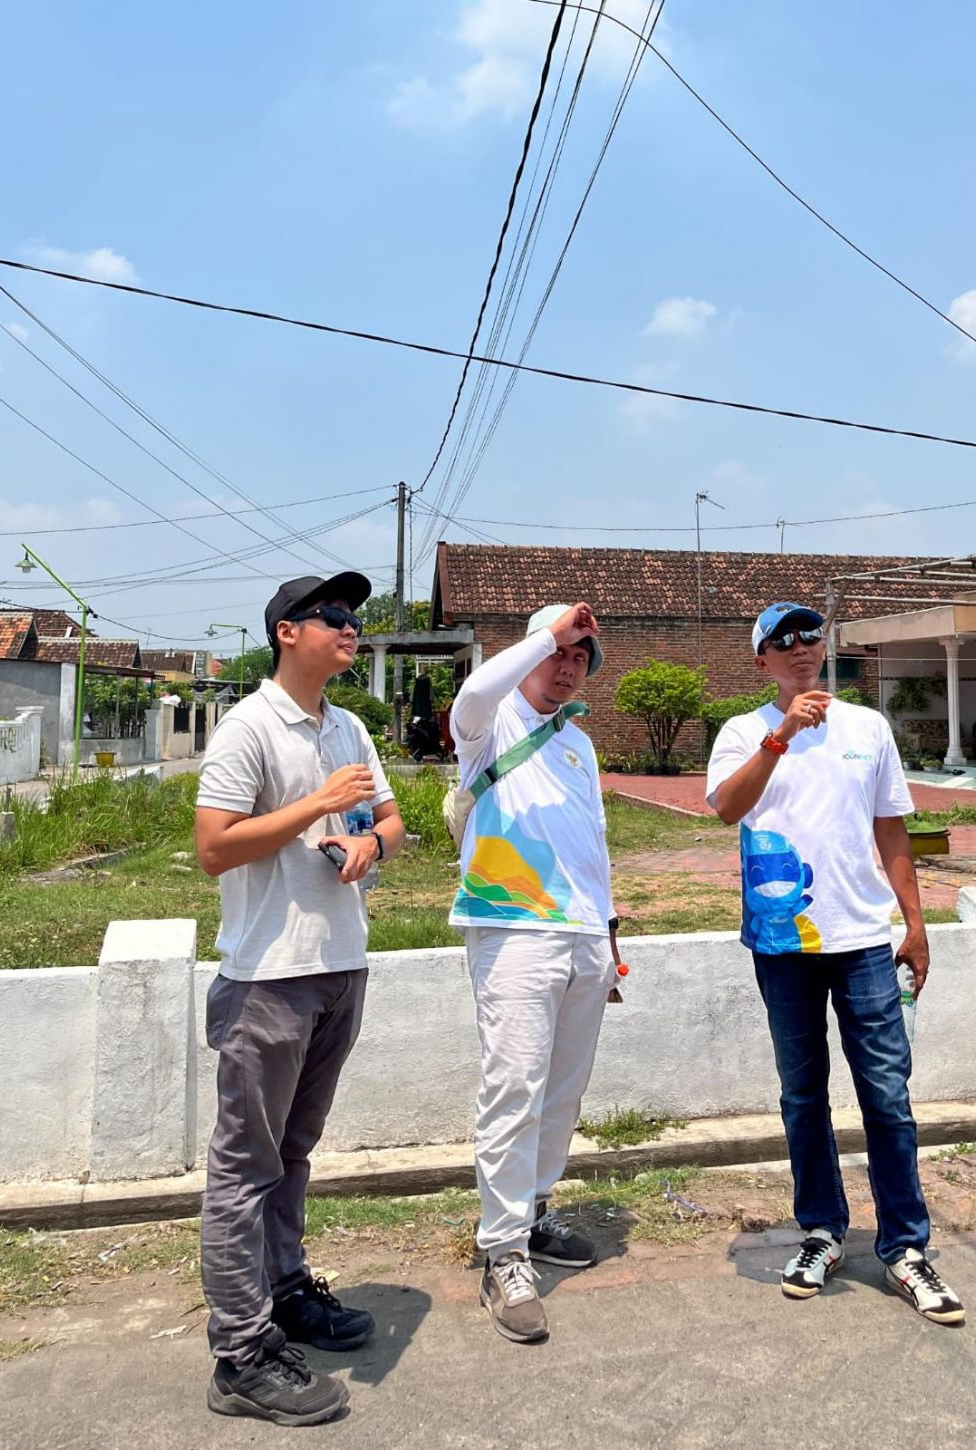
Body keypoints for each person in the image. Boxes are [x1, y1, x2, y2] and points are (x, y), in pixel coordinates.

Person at [706, 602, 964, 1326]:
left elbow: (891, 829)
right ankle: (821, 1231)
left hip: (862, 939)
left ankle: (905, 1247)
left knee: (886, 1094)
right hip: (782, 942)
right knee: (803, 1095)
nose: (800, 647)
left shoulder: (867, 728)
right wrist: (781, 735)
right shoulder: (742, 732)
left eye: (809, 635)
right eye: (782, 639)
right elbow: (726, 808)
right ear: (760, 659)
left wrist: (915, 923)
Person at [195, 571, 407, 1425]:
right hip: (267, 977)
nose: (351, 628)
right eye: (335, 616)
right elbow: (214, 847)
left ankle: (284, 1293)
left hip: (339, 963)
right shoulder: (247, 727)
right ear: (287, 631)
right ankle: (240, 1354)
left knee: (292, 1154)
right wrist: (316, 804)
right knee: (245, 1167)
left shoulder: (348, 726)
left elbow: (390, 820)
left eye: (356, 618)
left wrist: (371, 848)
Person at [449, 602, 620, 1343]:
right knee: (514, 1086)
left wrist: (607, 932)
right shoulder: (489, 725)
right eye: (558, 653)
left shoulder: (578, 743)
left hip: (582, 933)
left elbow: (594, 843)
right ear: (530, 651)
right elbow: (473, 692)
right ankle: (503, 1250)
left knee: (561, 1091)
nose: (569, 666)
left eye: (581, 657)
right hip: (513, 929)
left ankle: (535, 1211)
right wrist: (548, 635)